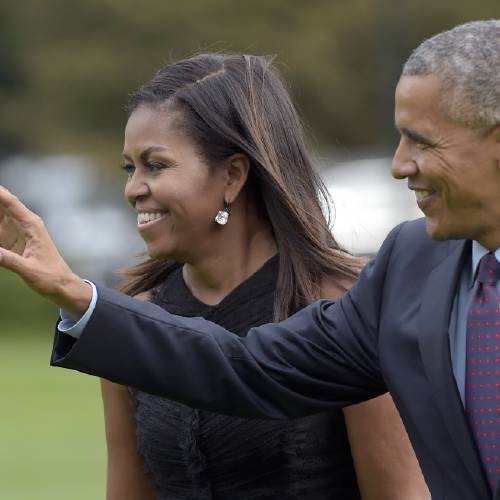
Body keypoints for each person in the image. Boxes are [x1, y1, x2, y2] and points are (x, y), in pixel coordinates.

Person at [0, 19, 499, 499]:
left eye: (423, 140)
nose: (398, 165)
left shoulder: (348, 288)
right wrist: (78, 298)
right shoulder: (412, 266)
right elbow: (251, 368)